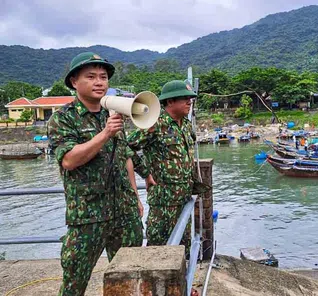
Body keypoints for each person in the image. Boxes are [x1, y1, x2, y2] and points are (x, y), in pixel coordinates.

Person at [48, 52, 143, 296]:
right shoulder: (63, 118)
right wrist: (104, 134)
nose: (99, 82)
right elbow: (68, 160)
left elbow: (125, 158)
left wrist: (135, 196)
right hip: (88, 217)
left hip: (123, 212)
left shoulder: (112, 114)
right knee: (74, 283)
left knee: (130, 278)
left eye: (103, 77)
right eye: (90, 77)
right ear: (74, 82)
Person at [128, 80, 207, 248]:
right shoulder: (154, 124)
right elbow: (127, 148)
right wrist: (145, 173)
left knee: (182, 247)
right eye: (184, 98)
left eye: (190, 98)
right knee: (159, 248)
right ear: (170, 101)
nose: (189, 102)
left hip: (184, 197)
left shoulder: (185, 125)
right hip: (163, 202)